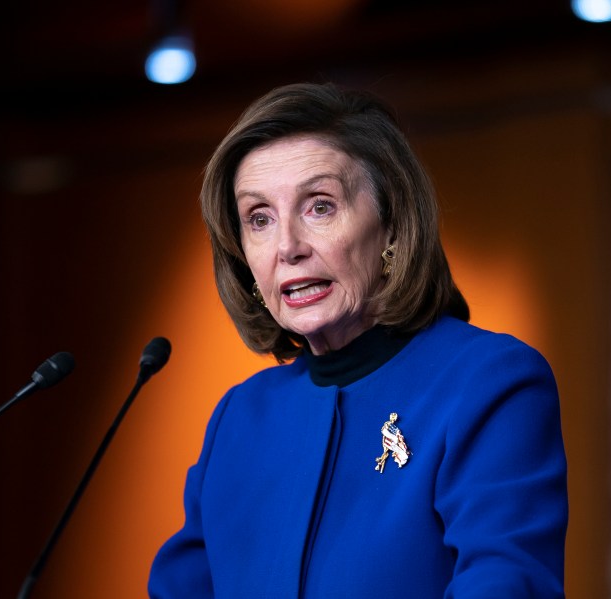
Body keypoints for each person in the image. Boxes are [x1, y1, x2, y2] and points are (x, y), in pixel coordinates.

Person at [148, 82, 568, 598]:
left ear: (392, 224)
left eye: (319, 206)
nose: (287, 247)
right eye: (259, 218)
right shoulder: (241, 417)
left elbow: (506, 585)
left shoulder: (489, 383)